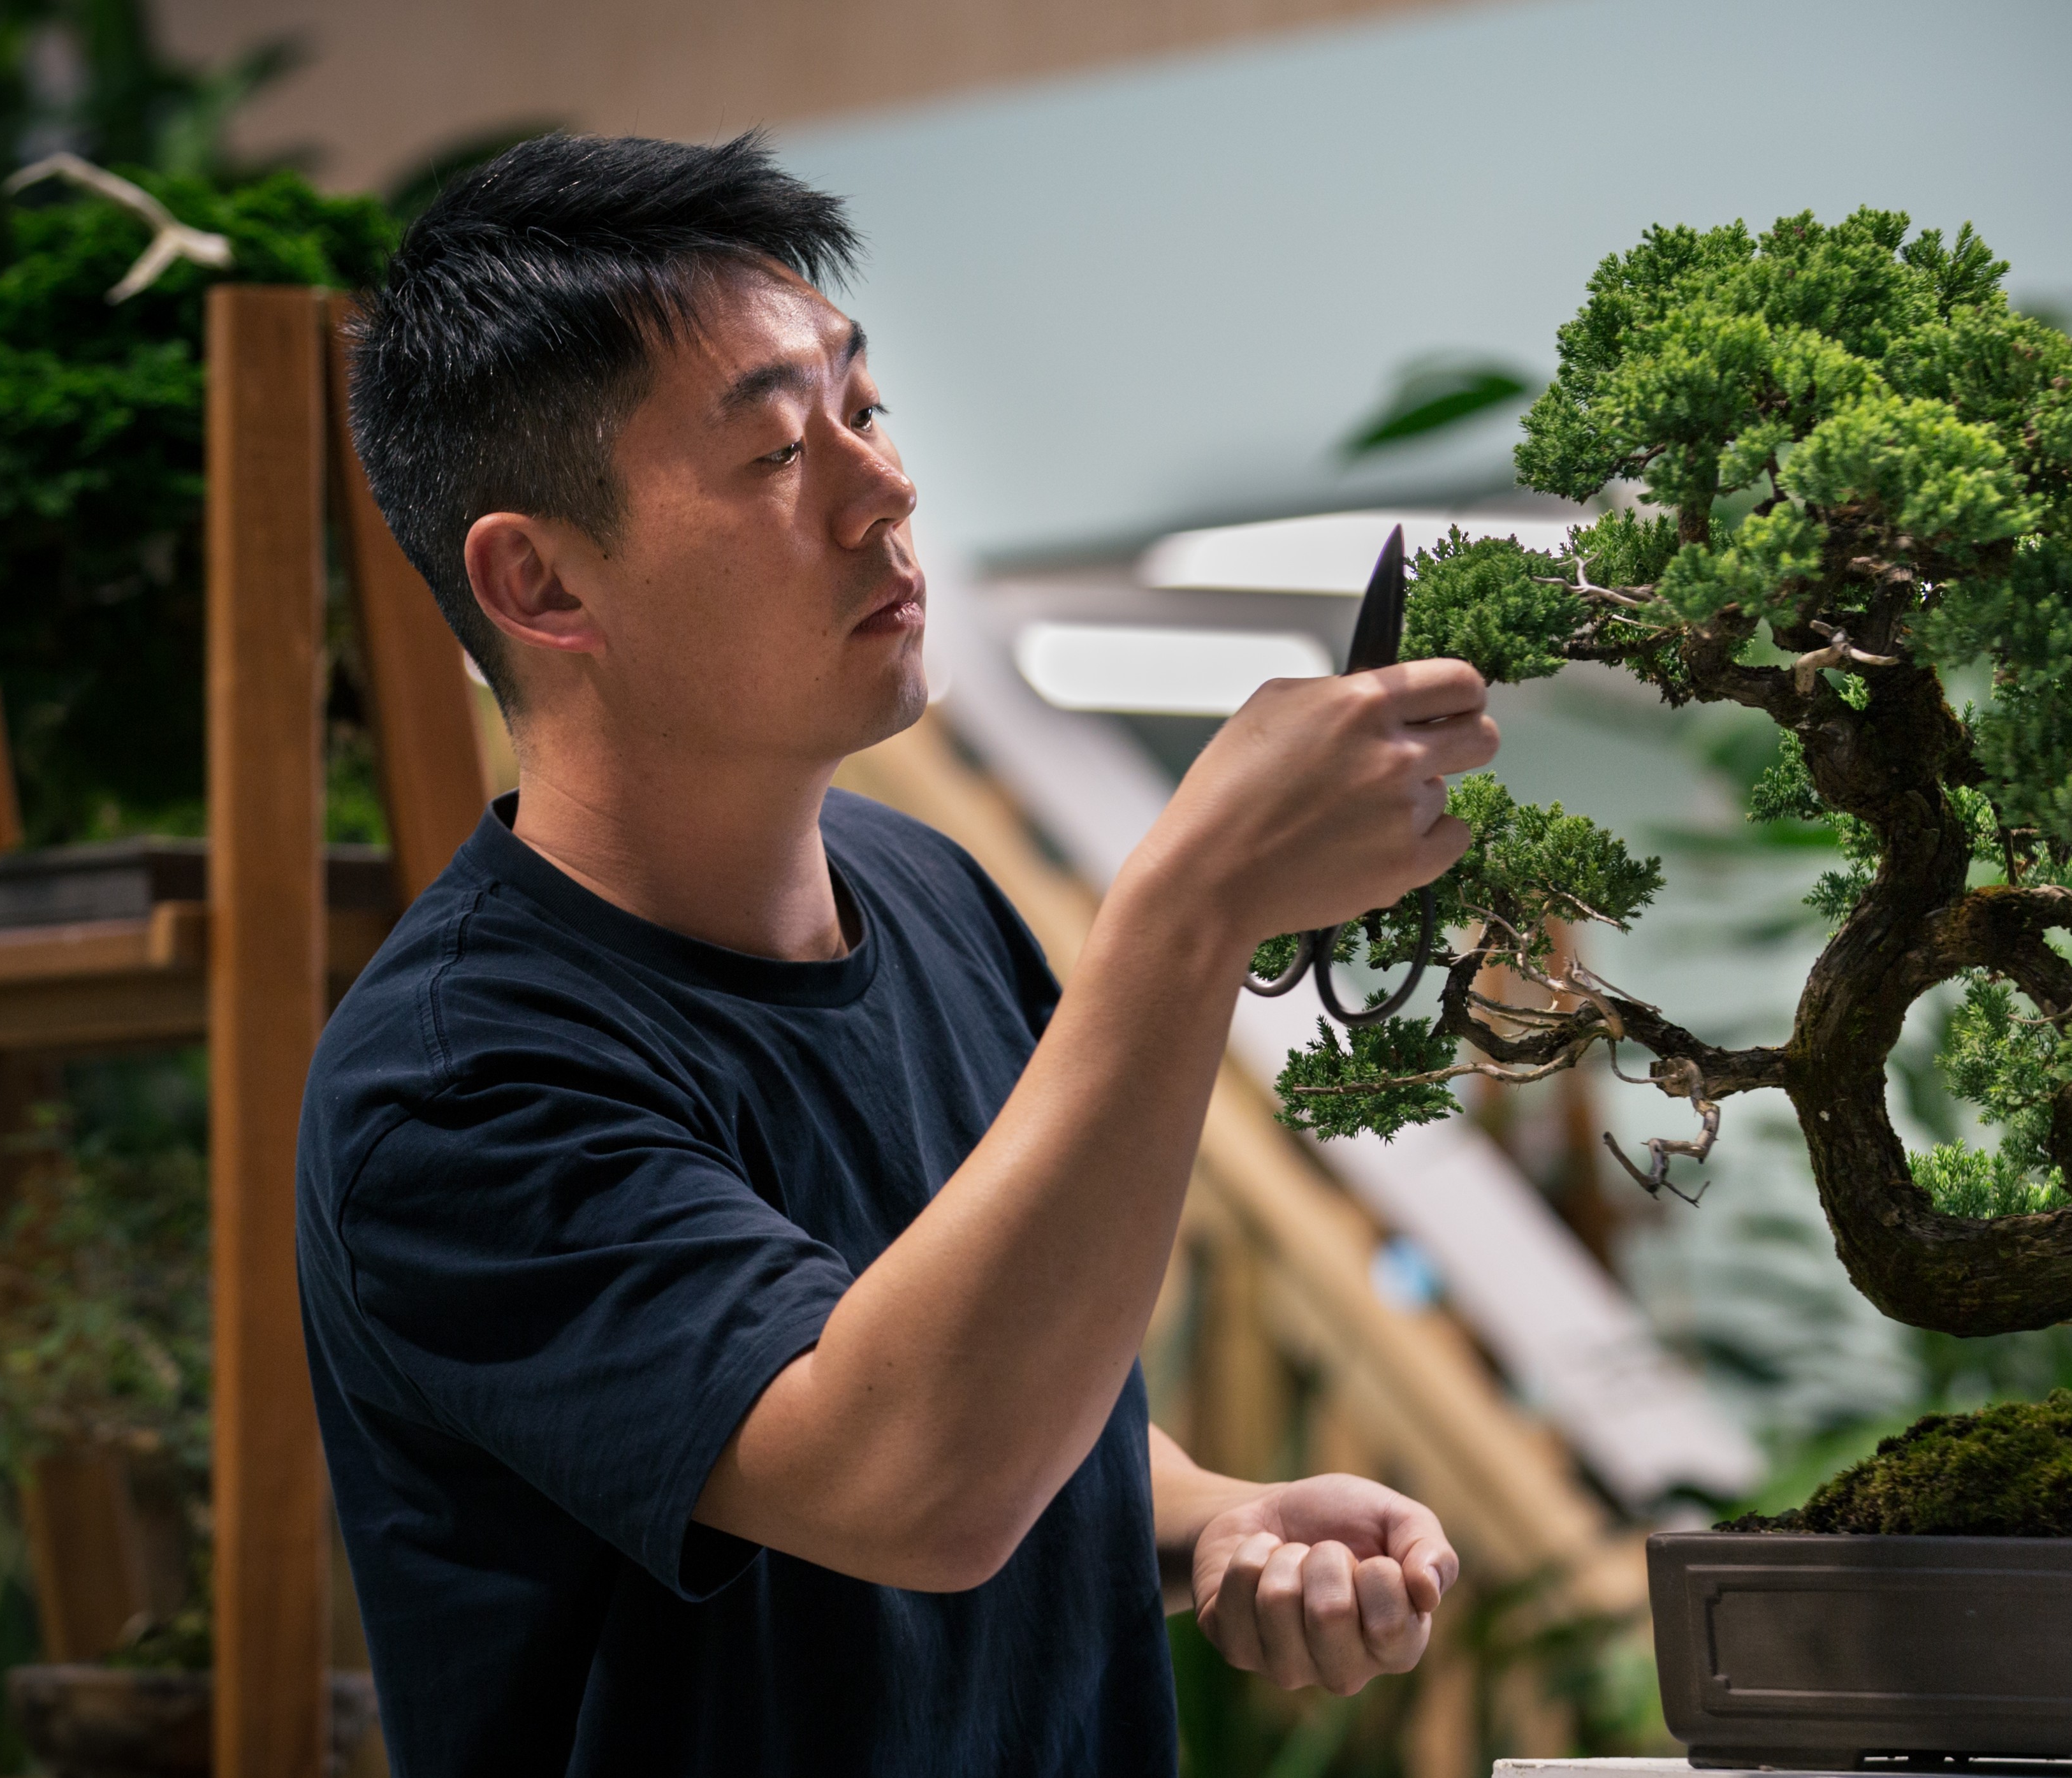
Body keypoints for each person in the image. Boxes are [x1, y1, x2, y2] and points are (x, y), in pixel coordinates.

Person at [302, 131, 1495, 1775]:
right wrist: (1187, 911)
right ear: (541, 581)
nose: (887, 486)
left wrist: (1209, 1519)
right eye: (779, 452)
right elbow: (900, 1481)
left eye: (863, 412)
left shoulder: (926, 888)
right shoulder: (455, 1087)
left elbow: (991, 1370)